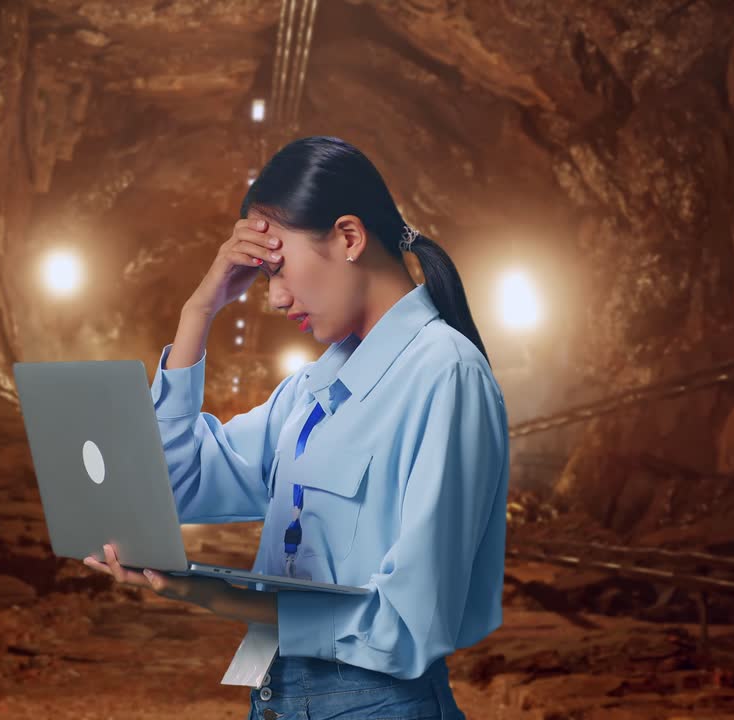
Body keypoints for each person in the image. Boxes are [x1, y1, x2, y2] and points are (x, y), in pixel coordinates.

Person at [83, 136, 508, 719]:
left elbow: (409, 623)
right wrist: (197, 314)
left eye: (278, 269)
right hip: (280, 696)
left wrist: (217, 595)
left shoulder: (446, 376)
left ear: (350, 237)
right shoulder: (310, 393)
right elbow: (172, 487)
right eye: (262, 279)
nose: (276, 299)